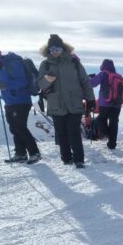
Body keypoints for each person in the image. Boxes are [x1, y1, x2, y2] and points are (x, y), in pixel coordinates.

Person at [37, 34, 95, 168]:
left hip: (74, 102)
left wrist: (91, 99)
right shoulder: (45, 64)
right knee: (61, 133)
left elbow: (85, 81)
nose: (55, 52)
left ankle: (79, 159)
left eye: (57, 48)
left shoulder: (74, 62)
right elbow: (40, 84)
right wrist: (47, 80)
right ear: (48, 50)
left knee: (74, 131)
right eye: (52, 49)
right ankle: (66, 158)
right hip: (56, 104)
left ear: (63, 48)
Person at [0, 47, 41, 164]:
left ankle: (34, 153)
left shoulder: (12, 63)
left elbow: (23, 81)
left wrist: (5, 86)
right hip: (9, 101)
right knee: (14, 128)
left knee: (20, 127)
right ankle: (20, 153)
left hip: (21, 100)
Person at [88, 59, 123, 149]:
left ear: (103, 65)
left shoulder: (103, 73)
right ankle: (112, 144)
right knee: (114, 122)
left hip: (105, 103)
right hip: (117, 104)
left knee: (101, 119)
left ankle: (107, 134)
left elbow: (93, 83)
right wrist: (116, 95)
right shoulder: (119, 76)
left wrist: (89, 78)